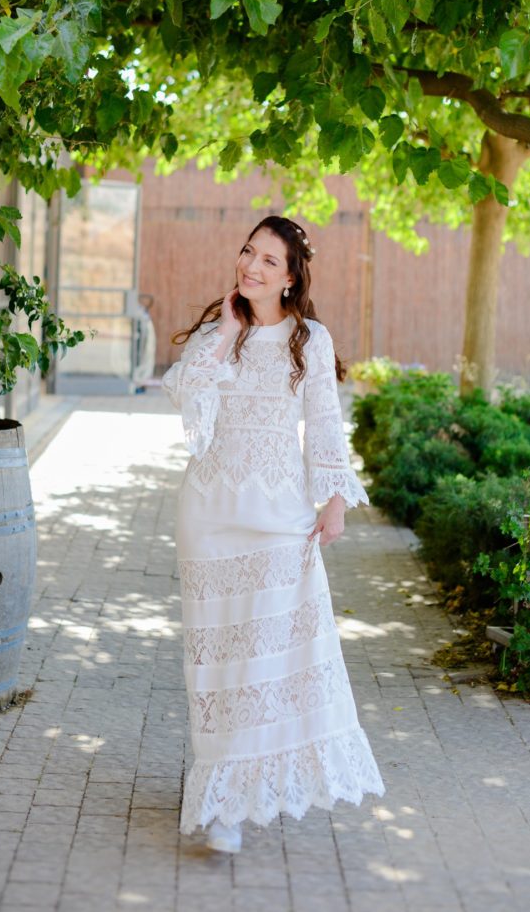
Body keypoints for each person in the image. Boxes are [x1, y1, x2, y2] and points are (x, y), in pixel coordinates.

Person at [162, 215, 385, 853]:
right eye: (247, 252)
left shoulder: (310, 339)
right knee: (219, 666)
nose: (251, 266)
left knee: (271, 658)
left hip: (279, 518)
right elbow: (185, 405)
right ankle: (223, 798)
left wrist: (336, 501)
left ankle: (239, 795)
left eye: (268, 261)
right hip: (209, 517)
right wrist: (227, 335)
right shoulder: (216, 332)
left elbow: (325, 425)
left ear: (290, 278)